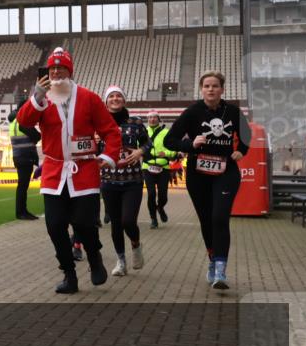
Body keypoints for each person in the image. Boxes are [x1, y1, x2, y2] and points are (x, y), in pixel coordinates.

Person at [17, 47, 121, 294]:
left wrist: (108, 156)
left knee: (84, 223)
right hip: (54, 171)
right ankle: (69, 274)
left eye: (61, 67)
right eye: (52, 68)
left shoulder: (89, 97)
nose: (56, 72)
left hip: (84, 169)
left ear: (69, 70)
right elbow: (24, 121)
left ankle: (94, 257)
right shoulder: (42, 99)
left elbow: (111, 131)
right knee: (54, 226)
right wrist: (36, 97)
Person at [164, 70, 250, 290]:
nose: (211, 89)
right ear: (201, 89)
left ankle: (220, 270)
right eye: (206, 86)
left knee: (220, 217)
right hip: (198, 174)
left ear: (222, 89)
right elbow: (169, 140)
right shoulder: (192, 112)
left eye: (215, 86)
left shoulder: (232, 111)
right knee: (206, 220)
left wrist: (241, 150)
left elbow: (247, 135)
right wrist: (189, 145)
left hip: (226, 171)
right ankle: (212, 259)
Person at [99, 86, 150, 277]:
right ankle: (121, 261)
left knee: (128, 221)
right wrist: (100, 162)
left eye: (118, 96)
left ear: (124, 100)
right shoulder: (99, 124)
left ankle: (136, 245)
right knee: (115, 224)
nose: (115, 99)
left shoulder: (135, 122)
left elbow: (148, 143)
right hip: (109, 181)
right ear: (106, 101)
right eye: (111, 96)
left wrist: (140, 151)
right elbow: (94, 149)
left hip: (133, 180)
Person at [8, 100, 41, 220]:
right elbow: (37, 136)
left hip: (19, 157)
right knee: (23, 186)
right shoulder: (23, 122)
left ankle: (21, 211)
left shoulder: (13, 122)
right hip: (25, 157)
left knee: (22, 185)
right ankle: (21, 212)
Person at [142, 111, 173, 229]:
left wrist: (165, 153)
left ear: (159, 119)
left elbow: (173, 148)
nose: (152, 119)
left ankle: (160, 207)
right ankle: (153, 218)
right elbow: (137, 147)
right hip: (147, 167)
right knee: (151, 194)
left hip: (163, 167)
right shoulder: (143, 132)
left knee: (163, 195)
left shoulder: (166, 132)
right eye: (149, 117)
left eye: (154, 117)